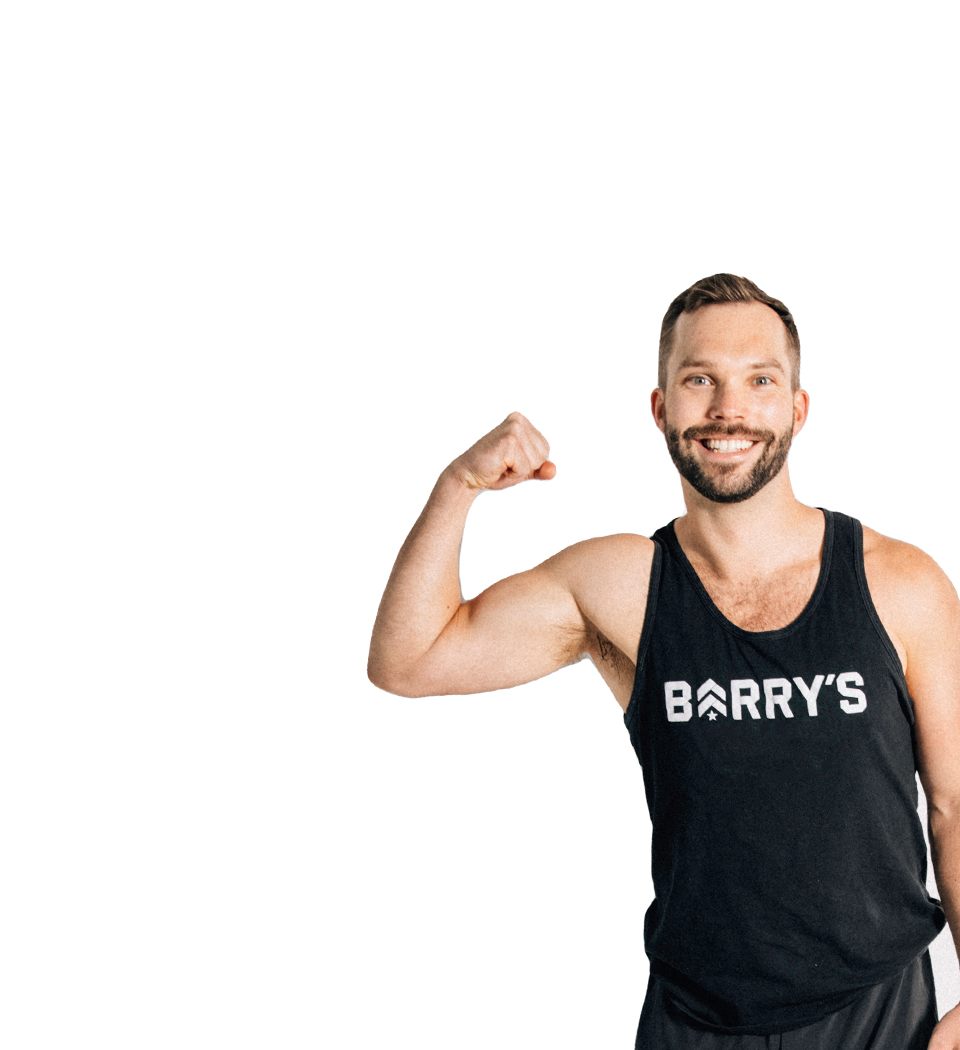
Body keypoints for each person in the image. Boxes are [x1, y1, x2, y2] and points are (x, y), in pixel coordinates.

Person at [367, 274, 960, 1049]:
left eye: (760, 380)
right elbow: (409, 660)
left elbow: (954, 806)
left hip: (876, 1016)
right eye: (699, 379)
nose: (728, 408)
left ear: (798, 407)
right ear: (661, 407)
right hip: (694, 1019)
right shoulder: (619, 585)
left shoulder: (898, 581)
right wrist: (459, 486)